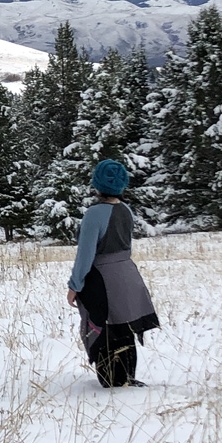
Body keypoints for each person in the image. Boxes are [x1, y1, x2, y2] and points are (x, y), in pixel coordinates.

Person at [66, 159, 159, 387]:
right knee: (125, 326)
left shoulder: (94, 214)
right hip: (128, 273)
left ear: (96, 184)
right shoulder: (126, 210)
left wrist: (74, 285)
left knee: (105, 325)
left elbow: (85, 255)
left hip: (102, 278)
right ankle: (126, 375)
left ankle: (112, 379)